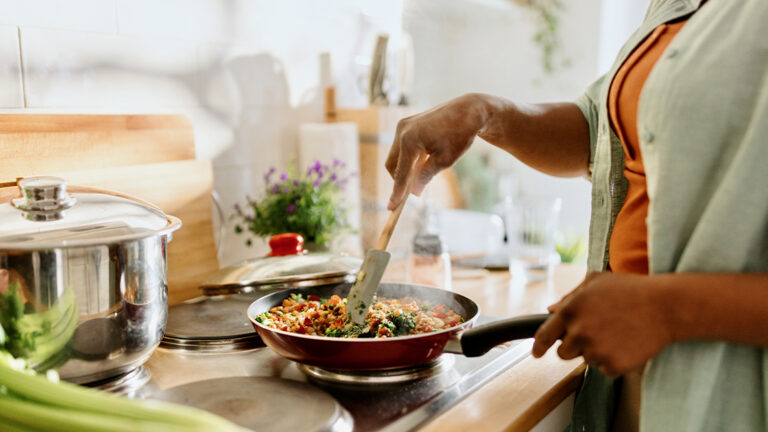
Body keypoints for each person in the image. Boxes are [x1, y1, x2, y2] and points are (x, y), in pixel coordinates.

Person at [384, 0, 768, 431]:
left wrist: (666, 310)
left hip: (730, 388)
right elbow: (601, 130)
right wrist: (484, 112)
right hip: (632, 374)